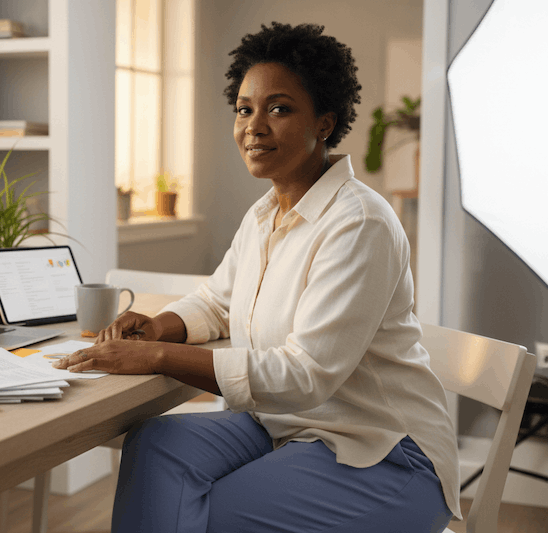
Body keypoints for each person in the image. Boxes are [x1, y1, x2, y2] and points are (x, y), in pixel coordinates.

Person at [53, 22, 460, 533]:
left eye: (280, 108)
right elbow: (217, 300)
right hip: (285, 427)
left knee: (208, 515)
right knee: (153, 444)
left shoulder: (360, 223)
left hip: (383, 451)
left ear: (325, 123)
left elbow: (306, 373)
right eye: (245, 109)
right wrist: (159, 326)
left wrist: (155, 356)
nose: (254, 126)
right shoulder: (266, 214)